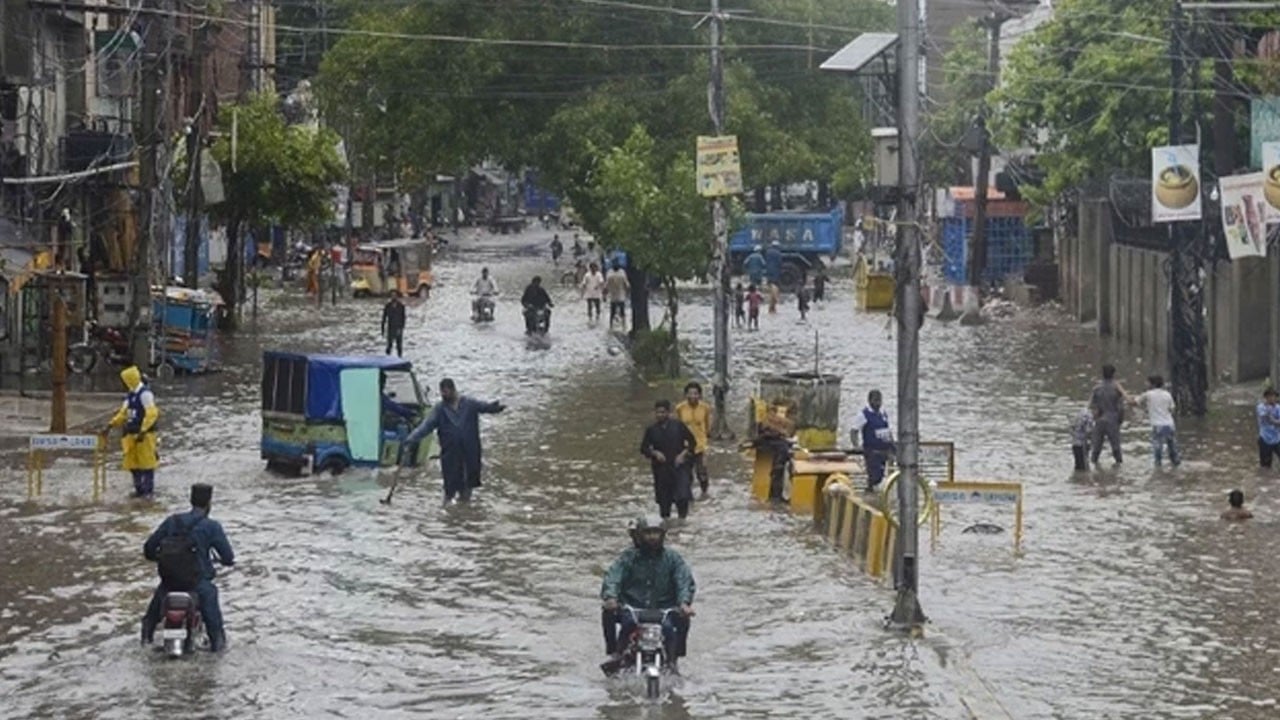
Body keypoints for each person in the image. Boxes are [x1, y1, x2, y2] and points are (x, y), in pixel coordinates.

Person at [140, 483, 234, 651]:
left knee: (151, 616)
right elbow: (227, 556)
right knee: (214, 621)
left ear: (191, 500)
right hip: (198, 584)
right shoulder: (212, 526)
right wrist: (225, 561)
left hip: (170, 583)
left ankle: (146, 638)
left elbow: (149, 548)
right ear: (209, 503)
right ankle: (217, 647)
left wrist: (158, 558)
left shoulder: (172, 521)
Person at [599, 516, 695, 675]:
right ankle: (615, 653)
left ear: (663, 535)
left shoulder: (673, 558)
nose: (652, 537)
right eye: (648, 533)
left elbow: (683, 581)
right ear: (639, 535)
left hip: (664, 609)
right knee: (616, 618)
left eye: (656, 533)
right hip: (632, 607)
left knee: (672, 628)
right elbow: (613, 577)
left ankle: (674, 660)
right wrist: (611, 598)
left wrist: (684, 603)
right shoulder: (628, 557)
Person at [402, 378, 506, 503]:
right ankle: (448, 509)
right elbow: (426, 427)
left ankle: (464, 510)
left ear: (453, 390)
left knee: (467, 485)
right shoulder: (440, 409)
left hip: (469, 452)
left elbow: (484, 407)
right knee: (450, 487)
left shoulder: (469, 404)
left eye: (446, 393)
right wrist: (411, 439)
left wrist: (495, 407)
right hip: (450, 454)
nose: (444, 396)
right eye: (442, 393)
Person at [105, 366, 160, 498]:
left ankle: (148, 491)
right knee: (132, 464)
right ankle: (139, 489)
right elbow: (123, 413)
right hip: (130, 434)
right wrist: (111, 424)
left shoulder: (145, 394)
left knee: (147, 463)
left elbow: (152, 413)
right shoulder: (130, 395)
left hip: (145, 435)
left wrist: (143, 430)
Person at [640, 400, 698, 519]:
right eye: (658, 412)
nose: (660, 415)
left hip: (679, 467)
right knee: (664, 501)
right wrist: (655, 453)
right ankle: (666, 525)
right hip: (661, 469)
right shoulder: (651, 430)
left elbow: (692, 442)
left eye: (663, 412)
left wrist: (683, 454)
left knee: (682, 497)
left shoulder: (678, 425)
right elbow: (643, 448)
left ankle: (683, 522)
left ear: (668, 413)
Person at [851, 390, 894, 491]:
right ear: (870, 401)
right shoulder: (864, 415)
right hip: (872, 451)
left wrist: (892, 443)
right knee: (874, 476)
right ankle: (871, 491)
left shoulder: (883, 414)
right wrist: (856, 445)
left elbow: (887, 430)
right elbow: (854, 431)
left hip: (884, 450)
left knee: (882, 474)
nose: (878, 403)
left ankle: (877, 491)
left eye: (879, 400)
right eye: (875, 400)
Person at [675, 382, 712, 499]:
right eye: (690, 393)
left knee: (702, 473)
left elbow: (707, 427)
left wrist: (706, 446)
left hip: (700, 446)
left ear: (700, 395)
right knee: (686, 475)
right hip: (685, 446)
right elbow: (677, 427)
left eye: (696, 393)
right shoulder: (680, 408)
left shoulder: (705, 408)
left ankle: (704, 494)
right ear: (685, 395)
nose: (693, 396)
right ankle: (689, 498)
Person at [1133, 375, 1179, 467]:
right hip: (1170, 425)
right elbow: (1172, 409)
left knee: (1158, 451)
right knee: (1172, 449)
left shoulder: (1148, 394)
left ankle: (1158, 469)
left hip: (1157, 426)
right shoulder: (1167, 394)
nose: (1146, 384)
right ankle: (1176, 465)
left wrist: (1125, 397)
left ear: (1152, 384)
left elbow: (1135, 402)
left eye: (1147, 382)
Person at [757, 401, 796, 500]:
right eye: (780, 412)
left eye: (784, 412)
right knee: (777, 473)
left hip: (776, 457)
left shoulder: (783, 426)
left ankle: (776, 495)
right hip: (773, 456)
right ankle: (775, 496)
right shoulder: (767, 425)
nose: (782, 415)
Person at [1089, 364, 1127, 465]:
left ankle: (1093, 468)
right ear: (1113, 374)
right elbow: (1121, 407)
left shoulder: (1097, 388)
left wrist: (1095, 418)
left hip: (1100, 420)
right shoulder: (1117, 388)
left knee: (1096, 448)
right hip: (1113, 419)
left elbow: (1092, 407)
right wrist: (1120, 420)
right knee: (1116, 448)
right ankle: (1119, 468)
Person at [1257, 387, 1280, 468]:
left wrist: (1273, 420)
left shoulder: (1278, 407)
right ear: (1266, 397)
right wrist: (1275, 421)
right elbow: (1265, 417)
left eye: (1274, 396)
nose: (1272, 398)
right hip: (1265, 439)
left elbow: (1272, 420)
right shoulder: (1260, 407)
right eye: (1270, 396)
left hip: (1277, 439)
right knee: (1265, 466)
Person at [381, 291, 407, 356]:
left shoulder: (401, 306)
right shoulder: (387, 306)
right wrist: (382, 330)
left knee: (399, 346)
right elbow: (384, 318)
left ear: (397, 296)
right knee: (389, 345)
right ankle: (387, 358)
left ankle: (400, 358)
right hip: (390, 328)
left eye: (395, 295)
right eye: (392, 295)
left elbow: (403, 318)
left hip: (398, 328)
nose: (393, 297)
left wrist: (401, 328)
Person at [1071, 407, 1094, 472]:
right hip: (1082, 445)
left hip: (1075, 443)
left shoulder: (1080, 413)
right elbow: (1088, 431)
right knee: (1084, 468)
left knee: (1077, 467)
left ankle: (1076, 477)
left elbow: (1071, 427)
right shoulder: (1089, 416)